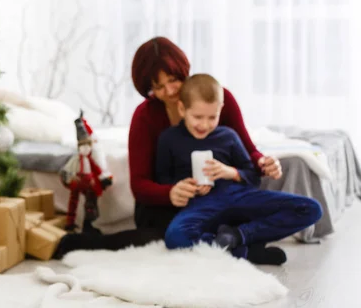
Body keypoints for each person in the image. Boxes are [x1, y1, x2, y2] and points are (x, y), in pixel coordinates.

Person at [54, 36, 285, 259]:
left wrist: (263, 162)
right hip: (165, 206)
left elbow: (248, 151)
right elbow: (140, 185)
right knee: (162, 236)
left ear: (184, 70)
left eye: (173, 79)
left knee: (240, 214)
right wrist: (170, 193)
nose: (170, 91)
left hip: (216, 197)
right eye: (158, 87)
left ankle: (231, 243)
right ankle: (240, 248)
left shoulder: (216, 98)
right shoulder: (145, 116)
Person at [157, 74, 322, 265]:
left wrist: (231, 173)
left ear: (220, 110)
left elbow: (253, 177)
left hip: (238, 196)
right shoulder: (169, 139)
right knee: (174, 237)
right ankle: (246, 251)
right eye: (197, 117)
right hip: (201, 204)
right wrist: (184, 188)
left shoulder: (228, 136)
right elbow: (163, 180)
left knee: (311, 208)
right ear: (182, 109)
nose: (204, 124)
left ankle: (238, 236)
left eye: (212, 117)